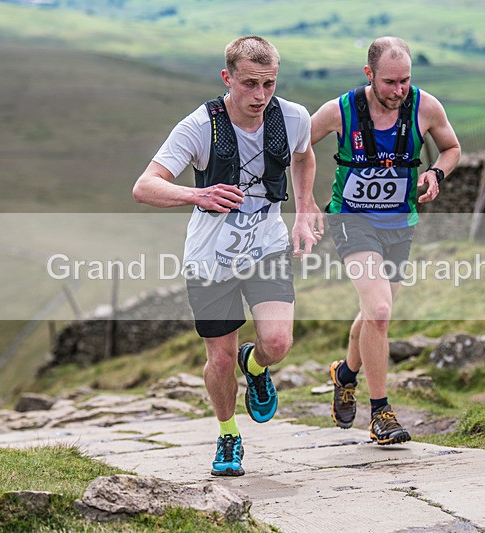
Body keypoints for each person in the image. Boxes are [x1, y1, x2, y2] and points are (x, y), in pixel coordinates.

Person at [132, 36, 322, 476]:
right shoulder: (199, 126)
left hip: (266, 246)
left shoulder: (292, 117)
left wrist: (304, 206)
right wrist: (195, 193)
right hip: (210, 256)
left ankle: (254, 366)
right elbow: (145, 186)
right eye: (250, 84)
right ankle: (228, 435)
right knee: (218, 358)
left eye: (268, 84)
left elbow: (305, 156)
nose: (259, 96)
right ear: (227, 78)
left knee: (277, 343)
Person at [310, 36, 460, 445]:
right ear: (369, 74)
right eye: (390, 82)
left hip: (400, 223)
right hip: (350, 219)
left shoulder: (425, 107)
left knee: (375, 310)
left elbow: (451, 148)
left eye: (405, 81)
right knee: (378, 311)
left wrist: (435, 174)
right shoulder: (340, 110)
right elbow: (297, 147)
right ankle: (381, 413)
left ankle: (344, 374)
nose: (398, 91)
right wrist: (304, 200)